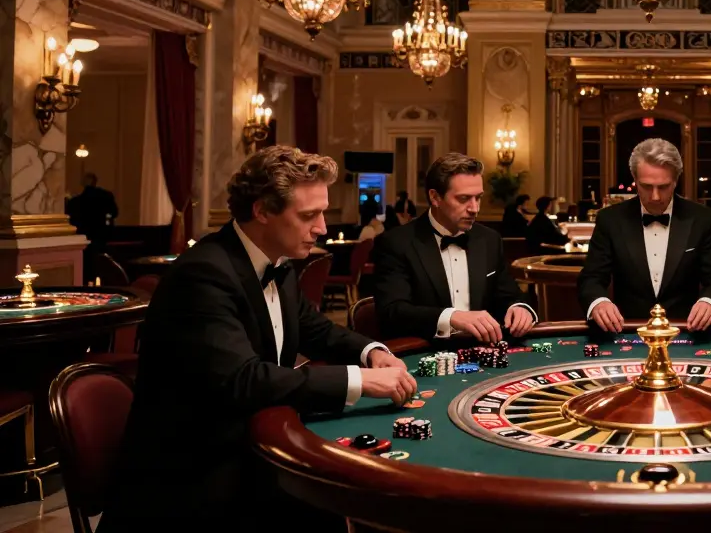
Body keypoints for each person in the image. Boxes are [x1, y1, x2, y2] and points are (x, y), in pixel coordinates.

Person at [100, 147, 417, 532]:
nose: (322, 228)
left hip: (248, 446)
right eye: (308, 215)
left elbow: (314, 328)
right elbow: (244, 379)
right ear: (263, 210)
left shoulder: (276, 262)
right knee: (333, 502)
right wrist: (360, 382)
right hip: (193, 478)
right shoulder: (203, 275)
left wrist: (371, 352)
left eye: (322, 212)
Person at [365, 153, 538, 344]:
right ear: (435, 197)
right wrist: (451, 317)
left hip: (483, 353)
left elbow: (510, 294)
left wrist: (520, 307)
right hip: (425, 354)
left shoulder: (489, 240)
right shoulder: (397, 242)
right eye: (464, 199)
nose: (474, 208)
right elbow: (392, 312)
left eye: (478, 198)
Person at [578, 138, 711, 331]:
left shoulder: (702, 219)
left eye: (664, 187)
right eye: (646, 186)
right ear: (634, 179)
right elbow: (591, 278)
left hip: (686, 331)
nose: (655, 197)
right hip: (626, 331)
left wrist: (710, 302)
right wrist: (599, 302)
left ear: (676, 181)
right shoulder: (610, 220)